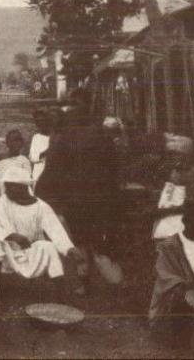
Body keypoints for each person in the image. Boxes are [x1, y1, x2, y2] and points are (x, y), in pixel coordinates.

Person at [34, 105, 121, 292]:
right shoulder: (99, 137)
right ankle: (105, 281)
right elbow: (114, 169)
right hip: (96, 197)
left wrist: (41, 192)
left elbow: (53, 171)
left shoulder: (63, 139)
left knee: (83, 240)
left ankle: (93, 282)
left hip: (78, 199)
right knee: (95, 241)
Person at [0, 166, 82, 300]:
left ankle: (61, 296)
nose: (7, 190)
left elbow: (55, 230)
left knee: (48, 247)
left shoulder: (41, 207)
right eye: (6, 186)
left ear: (23, 187)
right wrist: (12, 236)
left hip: (30, 250)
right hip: (8, 251)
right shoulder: (4, 202)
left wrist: (69, 249)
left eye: (11, 186)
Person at [149, 200, 194, 346]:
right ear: (185, 221)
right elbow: (163, 273)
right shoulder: (168, 245)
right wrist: (184, 286)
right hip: (177, 297)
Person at [0, 129, 31, 201]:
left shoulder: (24, 160)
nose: (17, 143)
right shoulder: (1, 158)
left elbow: (27, 179)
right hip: (2, 192)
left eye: (19, 140)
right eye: (14, 140)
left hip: (18, 193)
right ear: (7, 143)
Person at [29, 110, 53, 183]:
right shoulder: (36, 137)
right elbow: (33, 157)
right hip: (39, 171)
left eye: (43, 120)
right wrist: (46, 152)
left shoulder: (54, 137)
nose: (41, 123)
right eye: (38, 121)